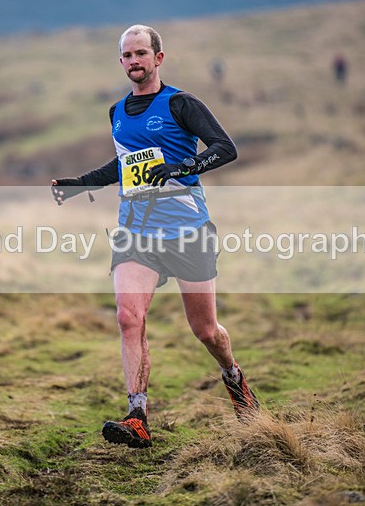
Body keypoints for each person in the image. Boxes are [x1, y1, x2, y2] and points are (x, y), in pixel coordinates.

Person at [51, 24, 259, 448]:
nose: (134, 62)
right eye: (127, 56)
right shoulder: (116, 112)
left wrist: (183, 168)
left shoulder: (181, 103)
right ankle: (137, 414)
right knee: (129, 317)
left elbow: (225, 147)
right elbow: (124, 165)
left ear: (158, 58)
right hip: (136, 231)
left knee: (206, 331)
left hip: (187, 231)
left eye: (141, 54)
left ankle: (234, 379)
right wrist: (82, 182)